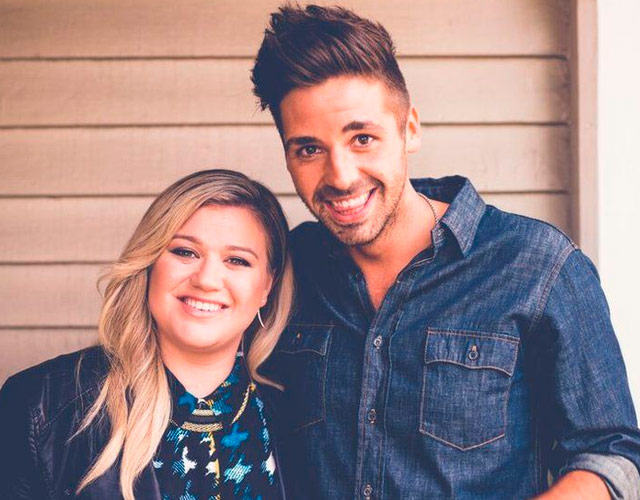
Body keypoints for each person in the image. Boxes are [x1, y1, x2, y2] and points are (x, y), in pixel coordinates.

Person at [251, 4, 640, 499]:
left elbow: (612, 457)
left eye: (362, 138)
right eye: (309, 149)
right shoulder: (285, 268)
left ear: (410, 129)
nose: (341, 176)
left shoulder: (538, 264)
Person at [0, 169, 293, 499]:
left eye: (237, 260)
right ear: (150, 262)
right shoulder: (41, 404)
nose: (207, 279)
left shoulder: (297, 418)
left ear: (267, 285)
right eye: (185, 252)